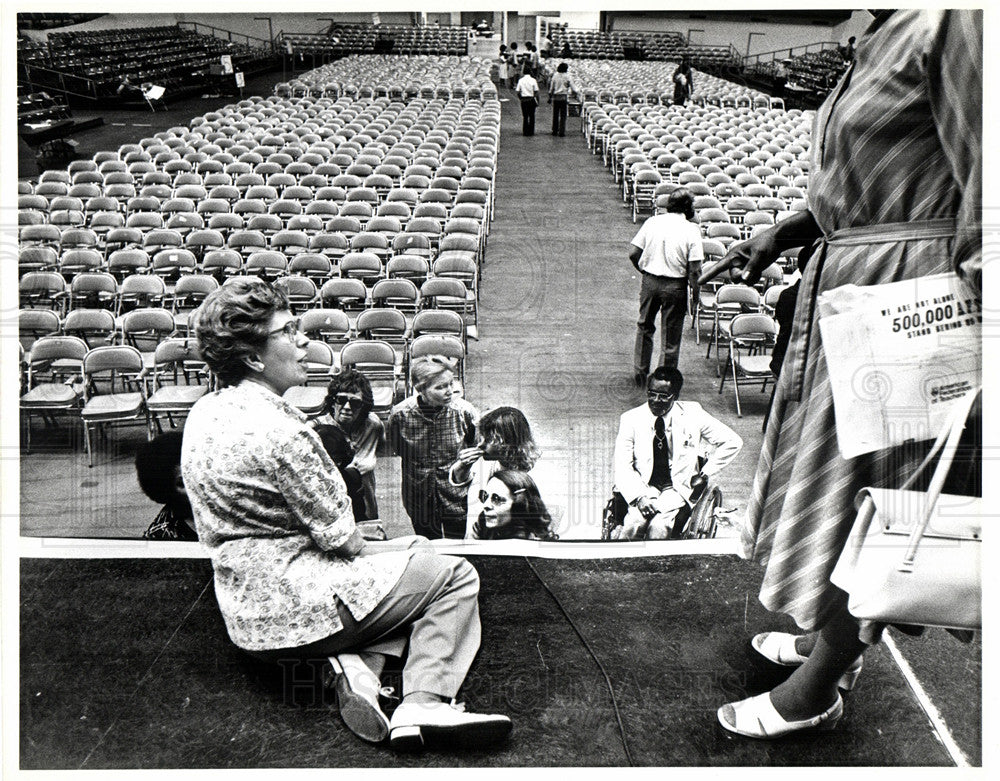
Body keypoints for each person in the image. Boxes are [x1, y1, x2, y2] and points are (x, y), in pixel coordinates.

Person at [700, 10, 981, 737]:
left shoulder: (956, 18)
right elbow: (876, 173)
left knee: (878, 498)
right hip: (858, 284)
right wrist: (789, 229)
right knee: (844, 487)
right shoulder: (881, 30)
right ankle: (829, 643)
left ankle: (815, 688)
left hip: (912, 298)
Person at [181, 278, 511, 750]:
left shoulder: (205, 412)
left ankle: (360, 671)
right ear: (254, 358)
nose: (303, 341)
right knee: (454, 574)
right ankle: (425, 703)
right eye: (288, 332)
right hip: (300, 608)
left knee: (415, 551)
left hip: (244, 611)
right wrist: (397, 546)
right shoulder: (283, 431)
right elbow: (345, 541)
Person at [611, 367, 742, 540]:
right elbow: (622, 465)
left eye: (664, 396)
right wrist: (639, 497)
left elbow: (732, 441)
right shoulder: (631, 419)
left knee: (659, 528)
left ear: (676, 396)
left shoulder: (693, 414)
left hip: (677, 487)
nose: (656, 400)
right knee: (633, 524)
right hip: (643, 485)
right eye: (652, 393)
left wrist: (705, 472)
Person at [388, 355, 479, 539]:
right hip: (418, 492)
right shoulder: (400, 415)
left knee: (459, 543)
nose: (449, 392)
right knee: (428, 542)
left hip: (456, 493)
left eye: (450, 384)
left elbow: (473, 445)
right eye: (440, 387)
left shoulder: (464, 412)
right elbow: (397, 447)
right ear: (420, 389)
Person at [628, 186, 704, 385]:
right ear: (688, 208)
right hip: (675, 285)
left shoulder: (652, 222)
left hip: (650, 280)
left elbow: (633, 252)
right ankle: (664, 378)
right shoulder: (691, 230)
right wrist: (696, 295)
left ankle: (640, 371)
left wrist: (643, 271)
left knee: (644, 325)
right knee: (671, 334)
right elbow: (695, 269)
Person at [445, 406, 541, 538]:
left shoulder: (531, 477)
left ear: (507, 443)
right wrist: (463, 465)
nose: (480, 445)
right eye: (481, 439)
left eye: (488, 440)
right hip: (475, 540)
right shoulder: (486, 463)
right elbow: (458, 480)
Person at [314, 369, 384, 522]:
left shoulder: (373, 425)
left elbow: (380, 447)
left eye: (355, 402)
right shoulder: (318, 429)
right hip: (332, 503)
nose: (347, 407)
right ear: (332, 402)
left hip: (365, 500)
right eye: (341, 400)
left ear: (364, 406)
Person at [136, 431, 198, 541]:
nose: (196, 483)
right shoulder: (161, 535)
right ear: (167, 491)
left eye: (197, 473)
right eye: (183, 483)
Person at [468, 470, 558, 541]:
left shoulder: (535, 543)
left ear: (520, 505)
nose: (486, 505)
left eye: (496, 499)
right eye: (485, 496)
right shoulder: (482, 528)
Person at [548, 62, 578, 137]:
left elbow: (551, 87)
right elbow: (573, 87)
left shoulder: (555, 76)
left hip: (556, 96)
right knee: (563, 115)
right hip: (564, 96)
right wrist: (576, 92)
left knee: (555, 114)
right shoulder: (568, 76)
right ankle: (562, 131)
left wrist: (550, 96)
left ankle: (554, 130)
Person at [515, 65, 540, 137]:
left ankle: (525, 131)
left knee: (525, 116)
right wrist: (536, 99)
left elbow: (517, 91)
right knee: (532, 116)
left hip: (524, 100)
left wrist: (520, 98)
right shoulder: (533, 80)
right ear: (530, 72)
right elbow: (536, 91)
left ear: (523, 72)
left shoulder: (521, 80)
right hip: (531, 99)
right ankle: (531, 131)